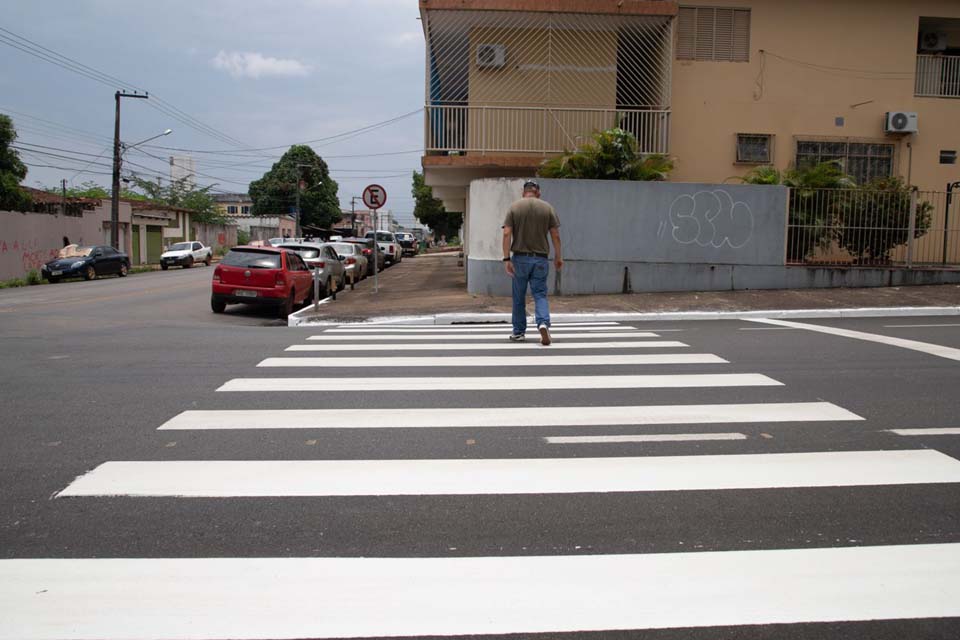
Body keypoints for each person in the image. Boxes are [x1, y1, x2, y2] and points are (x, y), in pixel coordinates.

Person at [502, 179, 562, 345]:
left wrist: (506, 258)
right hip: (541, 259)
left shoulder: (514, 207)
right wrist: (558, 256)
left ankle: (519, 332)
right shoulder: (547, 208)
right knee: (540, 294)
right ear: (538, 193)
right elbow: (555, 235)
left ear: (523, 192)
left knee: (519, 297)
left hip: (520, 258)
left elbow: (507, 233)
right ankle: (543, 323)